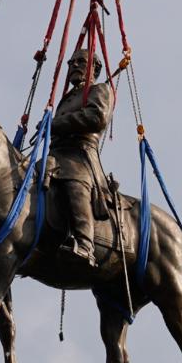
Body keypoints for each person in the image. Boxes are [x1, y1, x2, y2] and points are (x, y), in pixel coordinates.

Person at [50, 46, 115, 266]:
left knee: (74, 185)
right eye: (71, 63)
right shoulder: (67, 98)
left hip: (80, 156)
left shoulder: (100, 90)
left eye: (80, 62)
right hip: (56, 154)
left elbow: (97, 118)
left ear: (94, 68)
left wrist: (55, 124)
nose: (74, 66)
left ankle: (85, 244)